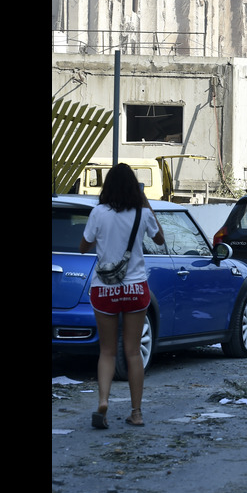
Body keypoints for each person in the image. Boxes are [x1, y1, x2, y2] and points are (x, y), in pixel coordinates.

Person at [79, 163, 164, 429]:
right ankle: (136, 412)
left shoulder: (98, 213)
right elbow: (160, 240)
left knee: (106, 351)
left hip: (104, 289)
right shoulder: (142, 213)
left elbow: (84, 248)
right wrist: (146, 204)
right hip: (135, 289)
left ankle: (103, 402)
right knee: (132, 352)